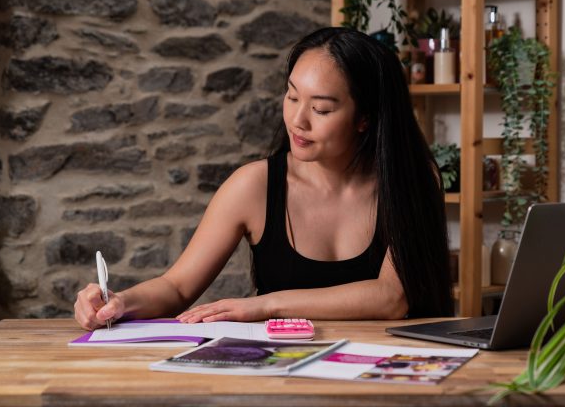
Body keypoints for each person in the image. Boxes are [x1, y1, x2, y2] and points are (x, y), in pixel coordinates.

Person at [74, 27, 453, 330]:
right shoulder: (254, 185)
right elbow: (176, 287)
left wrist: (266, 305)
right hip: (281, 375)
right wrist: (119, 302)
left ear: (364, 118)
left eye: (320, 108)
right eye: (292, 97)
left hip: (389, 376)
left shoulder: (411, 181)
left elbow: (390, 299)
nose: (297, 120)